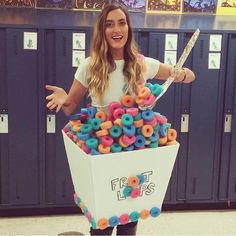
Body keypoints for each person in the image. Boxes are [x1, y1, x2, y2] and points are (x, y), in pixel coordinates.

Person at [46, 3, 195, 235]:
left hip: (134, 145)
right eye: (109, 24)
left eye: (122, 22)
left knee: (129, 215)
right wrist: (65, 99)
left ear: (129, 28)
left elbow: (189, 76)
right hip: (103, 145)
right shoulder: (90, 65)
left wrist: (181, 73)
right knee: (103, 219)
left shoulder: (141, 63)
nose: (117, 29)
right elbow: (70, 106)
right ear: (102, 31)